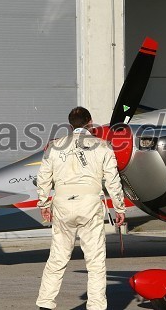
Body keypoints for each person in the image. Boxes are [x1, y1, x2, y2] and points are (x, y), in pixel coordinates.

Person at [35, 106, 126, 310]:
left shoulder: (55, 146)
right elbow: (112, 180)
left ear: (70, 125)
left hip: (62, 203)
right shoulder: (103, 146)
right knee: (95, 261)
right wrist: (119, 208)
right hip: (90, 204)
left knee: (57, 257)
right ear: (90, 122)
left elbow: (43, 178)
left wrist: (43, 203)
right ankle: (95, 306)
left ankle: (45, 304)